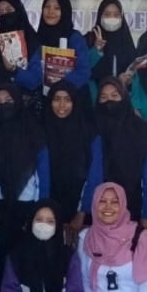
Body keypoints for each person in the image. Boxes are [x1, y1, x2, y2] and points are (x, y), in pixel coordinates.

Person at [80, 77, 147, 235]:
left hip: (132, 208)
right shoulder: (91, 129)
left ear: (124, 98)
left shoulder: (143, 132)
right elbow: (93, 174)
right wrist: (85, 210)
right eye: (103, 97)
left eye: (114, 96)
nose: (109, 101)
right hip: (97, 210)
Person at [0, 84, 50, 257]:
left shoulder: (34, 131)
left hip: (26, 206)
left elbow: (44, 174)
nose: (3, 105)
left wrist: (40, 208)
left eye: (8, 100)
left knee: (23, 257)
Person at [43, 80, 96, 220]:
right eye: (56, 99)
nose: (62, 105)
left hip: (80, 210)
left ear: (75, 103)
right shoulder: (41, 131)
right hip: (46, 211)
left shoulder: (88, 132)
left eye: (67, 100)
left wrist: (82, 212)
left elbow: (93, 174)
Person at [23, 0, 93, 93]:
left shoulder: (74, 38)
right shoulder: (36, 39)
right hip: (40, 97)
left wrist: (58, 86)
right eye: (47, 7)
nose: (50, 11)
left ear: (65, 11)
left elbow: (84, 72)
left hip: (70, 96)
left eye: (57, 8)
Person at [85, 0, 137, 100]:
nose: (112, 18)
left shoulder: (127, 42)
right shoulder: (89, 39)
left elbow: (134, 75)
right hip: (94, 100)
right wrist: (96, 50)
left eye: (116, 15)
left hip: (122, 100)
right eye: (107, 14)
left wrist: (127, 80)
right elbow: (83, 69)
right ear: (100, 16)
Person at [0, 0, 42, 93]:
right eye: (0, 12)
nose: (4, 15)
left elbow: (35, 80)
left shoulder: (33, 41)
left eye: (9, 10)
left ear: (19, 11)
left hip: (27, 98)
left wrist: (13, 69)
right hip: (1, 97)